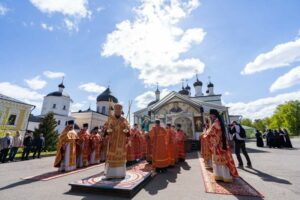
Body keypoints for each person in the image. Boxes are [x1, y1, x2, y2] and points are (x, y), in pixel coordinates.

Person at [207, 109, 239, 182]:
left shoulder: (216, 122)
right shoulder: (217, 121)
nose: (210, 116)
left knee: (222, 160)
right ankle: (221, 176)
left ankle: (224, 176)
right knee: (220, 160)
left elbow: (214, 132)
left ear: (213, 114)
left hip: (218, 144)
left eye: (210, 114)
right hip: (220, 143)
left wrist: (209, 134)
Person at [103, 104, 130, 179]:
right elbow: (105, 129)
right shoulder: (110, 119)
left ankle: (121, 174)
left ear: (121, 111)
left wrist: (126, 130)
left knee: (120, 157)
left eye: (119, 111)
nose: (118, 112)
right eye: (116, 111)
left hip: (121, 142)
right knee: (112, 156)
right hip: (113, 141)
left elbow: (128, 130)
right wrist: (108, 130)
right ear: (115, 111)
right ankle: (110, 174)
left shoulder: (124, 120)